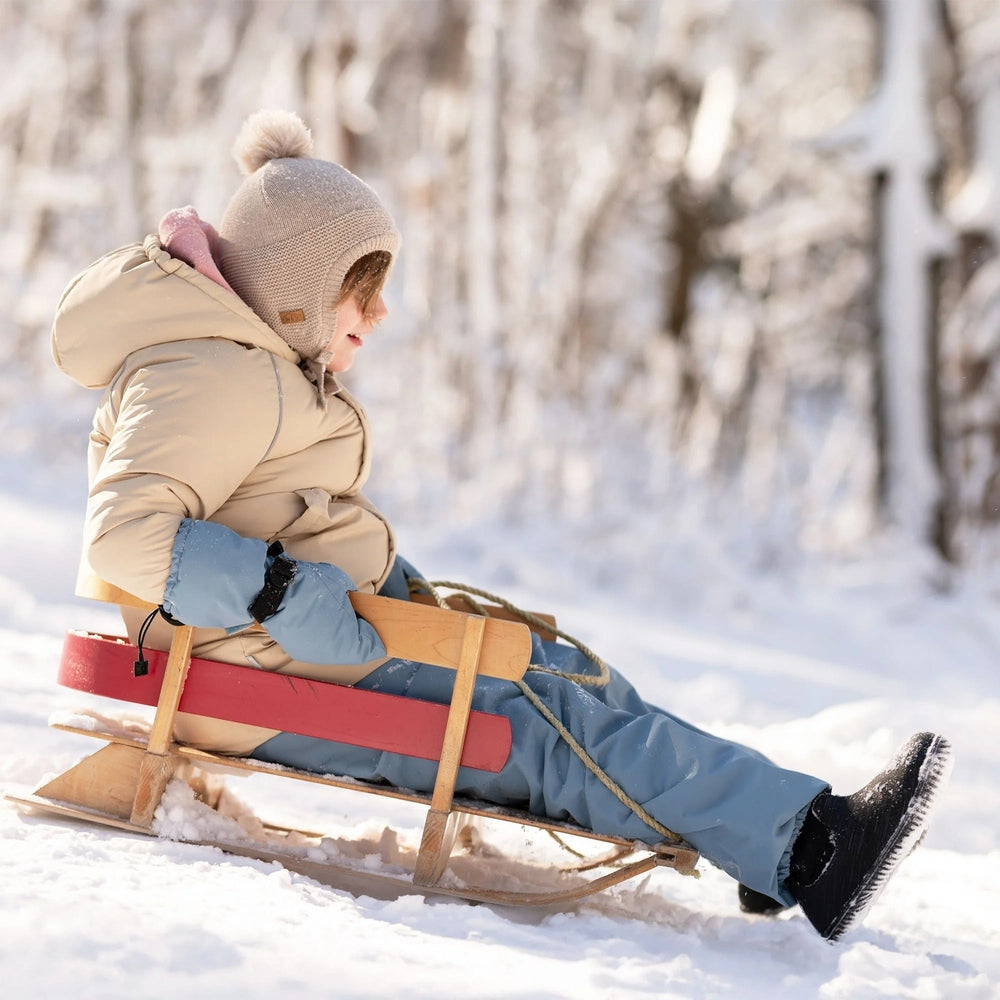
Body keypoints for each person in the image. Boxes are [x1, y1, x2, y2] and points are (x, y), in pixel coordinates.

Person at [52, 109, 951, 942]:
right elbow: (125, 536)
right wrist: (288, 589)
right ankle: (814, 849)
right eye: (358, 292)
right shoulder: (217, 374)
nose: (379, 314)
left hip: (305, 650)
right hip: (261, 682)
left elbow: (278, 508)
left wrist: (370, 585)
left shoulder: (248, 362)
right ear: (293, 290)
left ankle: (753, 838)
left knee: (555, 666)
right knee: (542, 725)